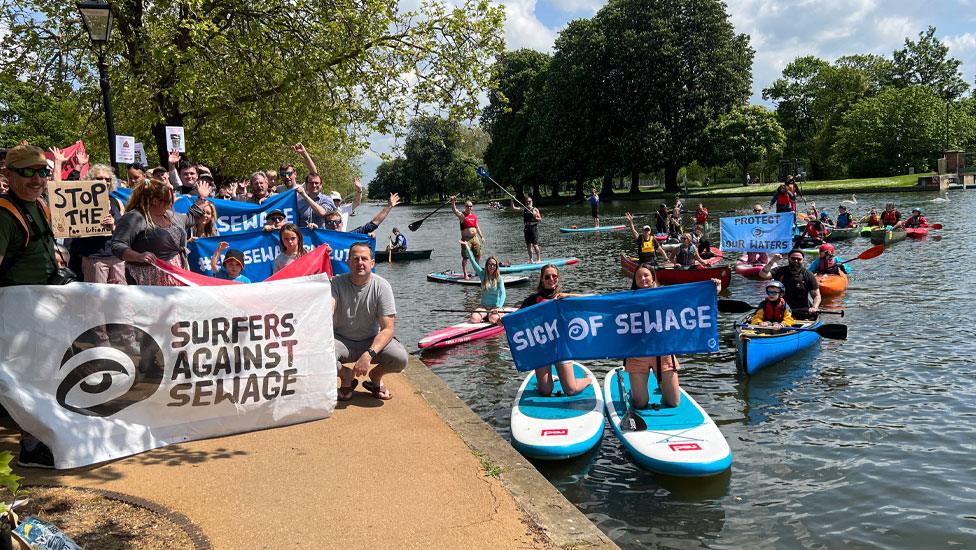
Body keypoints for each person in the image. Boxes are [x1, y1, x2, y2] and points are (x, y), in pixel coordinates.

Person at [0, 144, 60, 467]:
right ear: (8, 174)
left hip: (43, 308)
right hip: (15, 314)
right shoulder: (4, 214)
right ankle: (30, 444)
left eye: (42, 172)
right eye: (28, 172)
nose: (37, 179)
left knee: (43, 373)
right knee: (26, 378)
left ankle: (37, 437)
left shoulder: (40, 207)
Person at [333, 242, 409, 401]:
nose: (360, 263)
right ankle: (346, 376)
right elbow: (327, 312)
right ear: (348, 262)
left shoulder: (382, 286)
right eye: (355, 259)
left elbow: (387, 329)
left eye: (364, 259)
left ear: (372, 263)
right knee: (320, 356)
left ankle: (376, 376)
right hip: (340, 340)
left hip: (370, 340)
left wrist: (368, 355)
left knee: (400, 358)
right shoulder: (335, 283)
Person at [520, 265, 590, 396]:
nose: (551, 279)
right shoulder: (533, 300)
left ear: (558, 278)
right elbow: (517, 317)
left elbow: (592, 299)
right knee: (545, 391)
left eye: (554, 276)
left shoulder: (564, 298)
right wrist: (503, 320)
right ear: (542, 279)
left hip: (561, 348)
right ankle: (549, 379)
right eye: (547, 277)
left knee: (571, 390)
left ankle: (587, 379)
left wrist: (568, 295)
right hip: (542, 348)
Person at [110, 178, 188, 286]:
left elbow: (191, 218)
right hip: (148, 280)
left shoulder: (168, 215)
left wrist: (201, 199)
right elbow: (117, 245)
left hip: (174, 278)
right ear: (155, 201)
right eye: (167, 202)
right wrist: (138, 256)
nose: (170, 205)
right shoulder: (134, 218)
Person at [626, 264, 680, 408]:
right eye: (639, 276)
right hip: (637, 354)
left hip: (663, 353)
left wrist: (713, 290)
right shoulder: (627, 299)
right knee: (640, 403)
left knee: (673, 402)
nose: (643, 279)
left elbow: (690, 300)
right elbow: (601, 301)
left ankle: (664, 386)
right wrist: (571, 297)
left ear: (653, 277)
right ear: (635, 280)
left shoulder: (665, 295)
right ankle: (637, 392)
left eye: (646, 275)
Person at [67, 163, 126, 283]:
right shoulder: (82, 201)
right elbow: (68, 190)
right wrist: (78, 167)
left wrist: (114, 226)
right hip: (94, 257)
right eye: (99, 178)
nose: (104, 181)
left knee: (120, 297)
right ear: (90, 180)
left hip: (116, 257)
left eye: (107, 179)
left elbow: (124, 229)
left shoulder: (117, 202)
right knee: (97, 298)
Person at [758, 249, 821, 320]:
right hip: (780, 310)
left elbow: (816, 295)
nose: (796, 261)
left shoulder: (809, 275)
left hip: (802, 312)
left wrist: (814, 307)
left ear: (803, 260)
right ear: (788, 259)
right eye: (793, 258)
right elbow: (762, 275)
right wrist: (772, 261)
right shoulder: (779, 270)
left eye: (799, 259)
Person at [460, 240, 505, 324]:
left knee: (493, 320)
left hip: (495, 307)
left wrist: (498, 307)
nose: (492, 266)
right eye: (490, 264)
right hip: (483, 307)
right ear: (487, 265)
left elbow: (503, 294)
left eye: (494, 265)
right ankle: (484, 317)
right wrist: (467, 247)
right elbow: (473, 261)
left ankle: (492, 317)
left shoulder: (499, 278)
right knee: (473, 319)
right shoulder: (482, 274)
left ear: (496, 266)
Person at [324, 193, 399, 234]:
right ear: (325, 224)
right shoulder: (320, 238)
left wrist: (389, 206)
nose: (334, 225)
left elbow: (372, 225)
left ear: (342, 224)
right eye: (330, 222)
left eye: (337, 222)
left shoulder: (349, 237)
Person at [451, 196, 485, 279]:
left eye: (470, 206)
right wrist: (453, 202)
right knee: (465, 257)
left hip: (475, 238)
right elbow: (454, 210)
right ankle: (465, 274)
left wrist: (481, 236)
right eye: (467, 206)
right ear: (465, 207)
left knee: (478, 255)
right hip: (466, 239)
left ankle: (477, 271)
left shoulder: (474, 216)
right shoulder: (462, 215)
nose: (469, 207)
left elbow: (477, 227)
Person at [512, 196, 542, 263]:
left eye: (529, 201)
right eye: (527, 202)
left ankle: (539, 259)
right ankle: (531, 259)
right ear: (525, 203)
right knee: (528, 245)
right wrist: (512, 200)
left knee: (535, 244)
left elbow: (540, 220)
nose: (528, 203)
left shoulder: (535, 209)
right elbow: (513, 208)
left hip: (533, 228)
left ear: (532, 202)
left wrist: (535, 217)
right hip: (526, 228)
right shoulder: (524, 209)